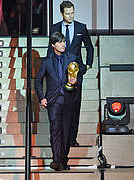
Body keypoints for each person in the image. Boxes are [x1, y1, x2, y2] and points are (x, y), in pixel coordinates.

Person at [35, 31, 85, 171]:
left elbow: (79, 77)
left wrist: (75, 82)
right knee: (55, 131)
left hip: (69, 100)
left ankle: (63, 159)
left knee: (67, 132)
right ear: (53, 45)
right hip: (53, 101)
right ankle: (57, 160)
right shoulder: (46, 62)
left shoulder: (71, 57)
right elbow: (38, 81)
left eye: (64, 42)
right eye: (60, 42)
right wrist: (41, 98)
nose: (63, 44)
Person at [48, 0, 94, 147]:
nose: (71, 15)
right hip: (60, 72)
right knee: (60, 104)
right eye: (67, 13)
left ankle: (72, 138)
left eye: (72, 12)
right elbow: (51, 50)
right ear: (62, 13)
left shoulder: (81, 27)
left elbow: (89, 47)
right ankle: (61, 137)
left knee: (75, 105)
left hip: (76, 71)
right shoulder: (55, 27)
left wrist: (87, 65)